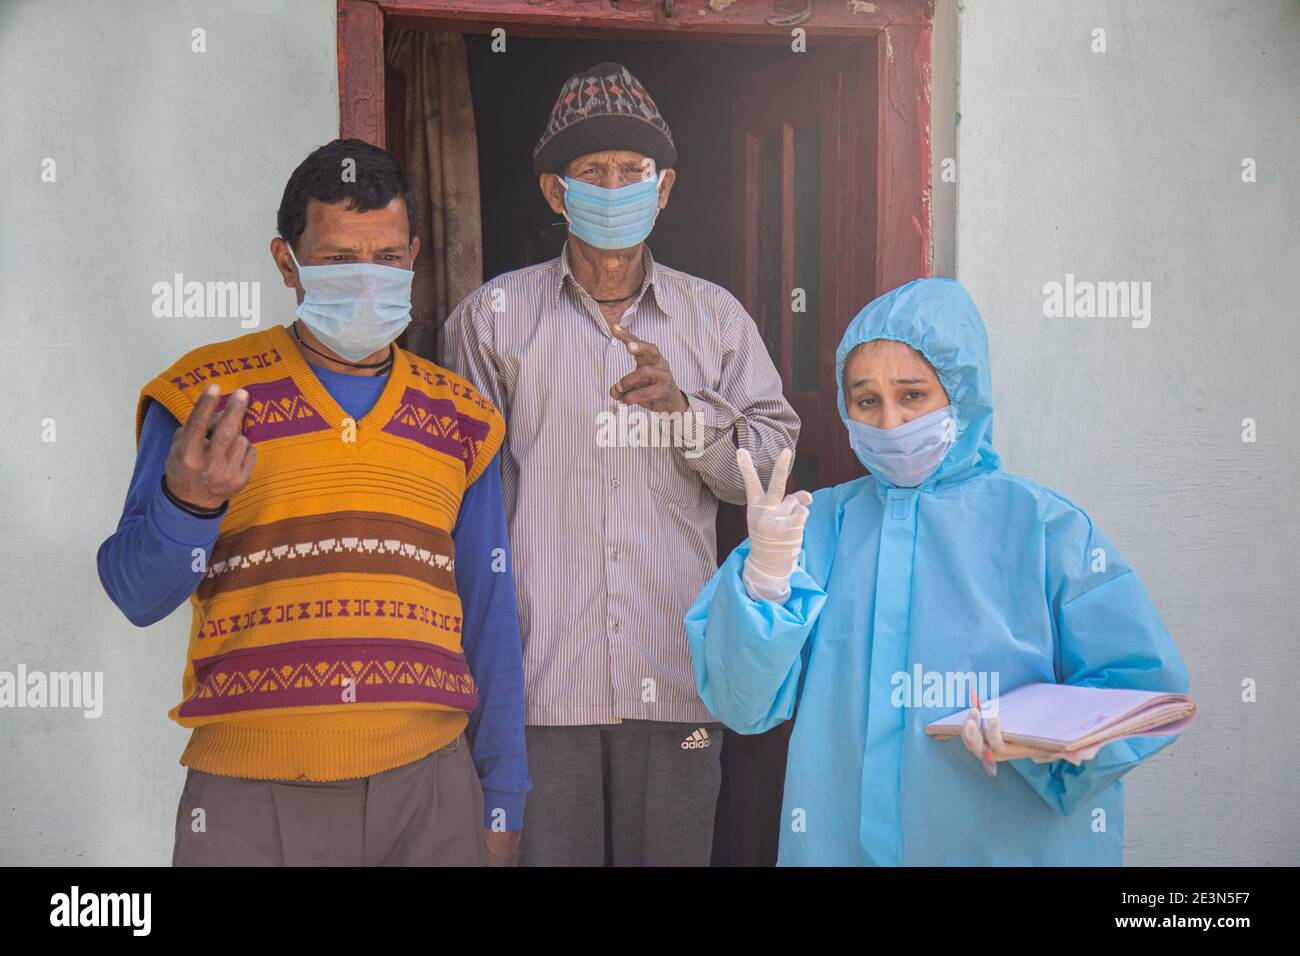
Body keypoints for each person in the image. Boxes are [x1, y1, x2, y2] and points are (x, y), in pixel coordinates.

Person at [97, 139, 530, 866]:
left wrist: (504, 792)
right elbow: (135, 593)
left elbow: (489, 610)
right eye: (336, 259)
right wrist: (188, 503)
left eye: (387, 257)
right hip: (246, 796)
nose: (366, 279)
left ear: (416, 254)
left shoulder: (463, 415)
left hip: (429, 787)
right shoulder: (208, 398)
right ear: (286, 262)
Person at [685, 277, 1190, 865]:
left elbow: (1141, 687)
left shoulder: (1045, 528)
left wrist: (1047, 741)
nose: (892, 423)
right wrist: (765, 582)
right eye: (866, 400)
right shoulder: (810, 527)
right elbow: (742, 703)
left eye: (913, 395)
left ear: (961, 394)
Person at [444, 62, 799, 866]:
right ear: (553, 192)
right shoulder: (493, 321)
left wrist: (690, 416)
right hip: (540, 678)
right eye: (591, 173)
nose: (614, 188)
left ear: (664, 188)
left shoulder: (716, 319)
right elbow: (460, 496)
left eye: (631, 172)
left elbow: (775, 458)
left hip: (674, 671)